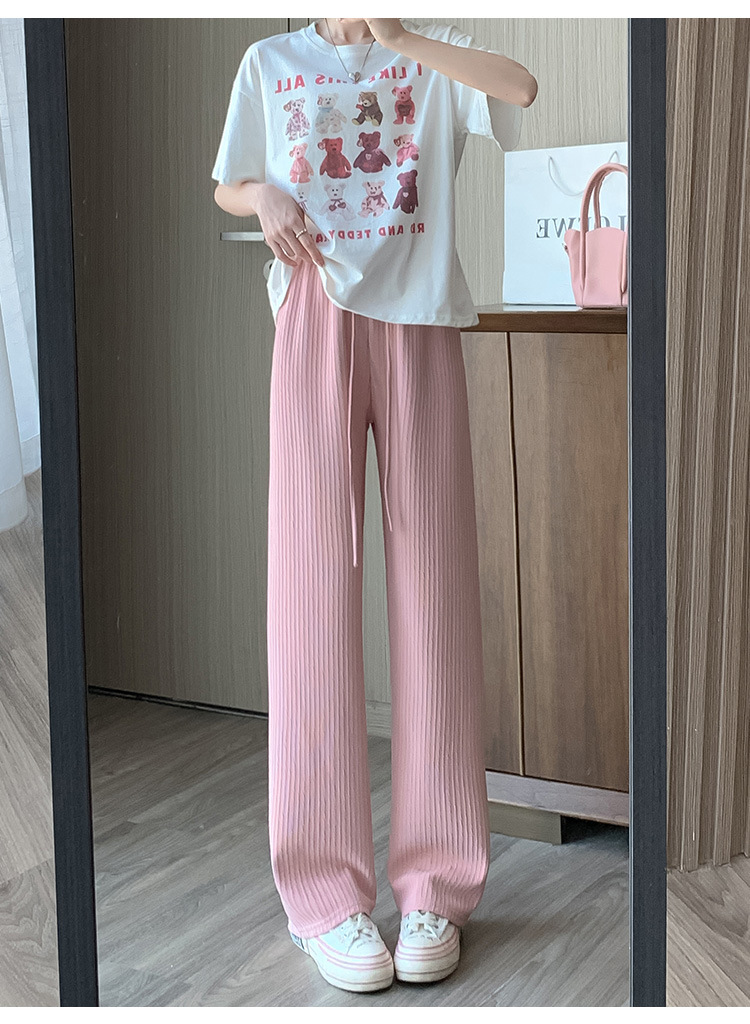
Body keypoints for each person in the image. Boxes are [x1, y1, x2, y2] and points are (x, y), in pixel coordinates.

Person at [212, 17, 536, 994]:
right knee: (311, 595)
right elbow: (229, 181)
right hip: (312, 313)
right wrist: (261, 193)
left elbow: (518, 88)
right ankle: (325, 897)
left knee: (434, 592)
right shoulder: (271, 62)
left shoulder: (430, 48)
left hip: (420, 319)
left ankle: (436, 884)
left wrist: (402, 32)